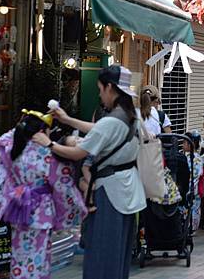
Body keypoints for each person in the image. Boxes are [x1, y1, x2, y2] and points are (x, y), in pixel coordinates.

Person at [32, 65, 146, 279]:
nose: (100, 94)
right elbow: (99, 130)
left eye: (100, 89)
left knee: (102, 254)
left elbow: (77, 153)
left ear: (110, 87)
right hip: (128, 190)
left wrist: (48, 144)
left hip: (110, 193)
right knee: (118, 254)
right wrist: (66, 120)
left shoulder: (113, 120)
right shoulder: (132, 115)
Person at [0, 110, 87, 279]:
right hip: (41, 210)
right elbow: (61, 184)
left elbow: (3, 141)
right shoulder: (47, 155)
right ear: (42, 132)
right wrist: (75, 207)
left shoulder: (14, 148)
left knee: (19, 254)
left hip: (18, 205)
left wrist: (22, 127)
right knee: (39, 256)